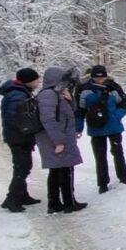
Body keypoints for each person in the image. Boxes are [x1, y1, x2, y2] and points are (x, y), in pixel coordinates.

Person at [36, 67, 86, 214]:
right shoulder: (49, 95)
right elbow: (48, 119)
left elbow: (69, 112)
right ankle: (68, 203)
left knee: (58, 170)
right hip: (56, 140)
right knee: (64, 171)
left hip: (61, 138)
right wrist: (58, 141)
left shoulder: (57, 93)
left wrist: (70, 100)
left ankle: (55, 203)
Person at [76, 65, 126, 194]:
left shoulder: (113, 87)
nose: (100, 80)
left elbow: (124, 103)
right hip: (96, 127)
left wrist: (116, 116)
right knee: (100, 156)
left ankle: (123, 176)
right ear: (92, 77)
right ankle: (102, 183)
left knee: (118, 152)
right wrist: (78, 128)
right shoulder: (84, 89)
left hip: (113, 126)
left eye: (102, 78)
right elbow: (80, 110)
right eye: (97, 78)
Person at [0, 68, 43, 212]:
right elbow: (17, 117)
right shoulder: (18, 95)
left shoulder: (20, 92)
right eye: (36, 79)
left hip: (19, 136)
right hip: (18, 137)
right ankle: (12, 199)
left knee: (23, 166)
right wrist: (30, 127)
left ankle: (22, 195)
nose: (38, 81)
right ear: (28, 81)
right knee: (22, 168)